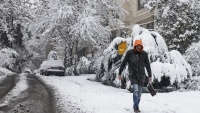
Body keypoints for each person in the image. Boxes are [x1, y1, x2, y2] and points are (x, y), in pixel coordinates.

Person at [118, 40, 152, 113]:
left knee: (139, 93)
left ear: (141, 47)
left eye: (140, 46)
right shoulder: (129, 53)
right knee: (135, 90)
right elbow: (124, 63)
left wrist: (150, 75)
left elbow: (148, 65)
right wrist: (120, 73)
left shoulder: (144, 54)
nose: (138, 48)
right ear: (135, 46)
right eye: (137, 46)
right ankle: (136, 107)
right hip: (133, 75)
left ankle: (136, 105)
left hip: (141, 76)